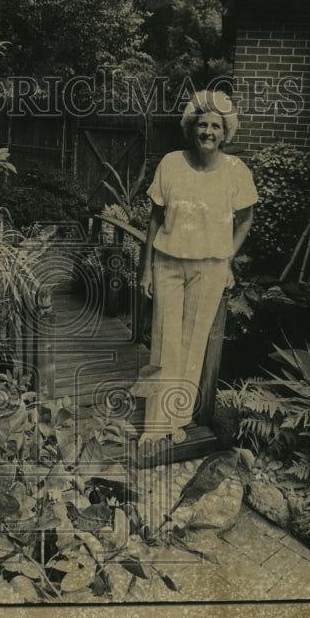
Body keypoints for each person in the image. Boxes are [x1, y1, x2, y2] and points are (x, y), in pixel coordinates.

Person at [132, 89, 257, 448]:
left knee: (192, 348)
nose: (208, 132)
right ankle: (154, 426)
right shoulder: (171, 163)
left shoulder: (236, 171)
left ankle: (177, 420)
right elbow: (155, 219)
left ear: (225, 132)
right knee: (164, 346)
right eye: (202, 124)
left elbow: (246, 220)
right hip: (168, 264)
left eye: (215, 126)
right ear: (192, 127)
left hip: (210, 270)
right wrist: (146, 270)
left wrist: (228, 257)